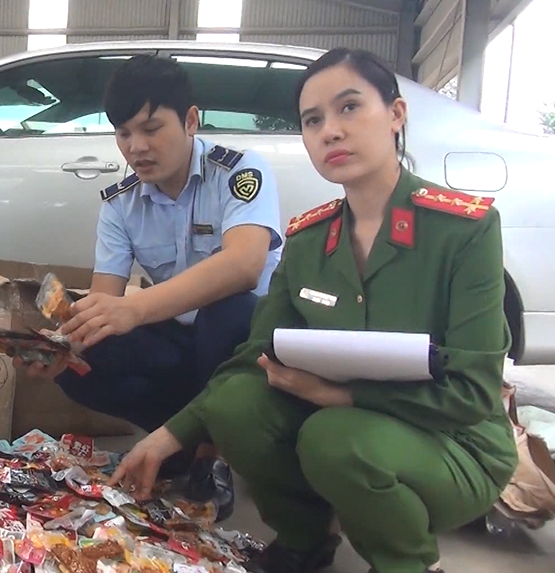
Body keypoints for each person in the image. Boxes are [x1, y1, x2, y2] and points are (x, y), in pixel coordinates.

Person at [109, 47, 519, 573]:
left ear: (396, 114)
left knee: (333, 439)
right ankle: (303, 540)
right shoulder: (309, 240)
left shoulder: (464, 231)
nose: (330, 131)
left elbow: (473, 390)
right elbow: (251, 357)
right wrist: (170, 436)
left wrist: (341, 396)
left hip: (454, 444)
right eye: (313, 120)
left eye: (350, 108)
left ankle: (406, 561)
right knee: (238, 403)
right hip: (353, 434)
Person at [17, 55, 284, 521]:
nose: (136, 147)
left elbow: (244, 265)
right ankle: (176, 442)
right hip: (180, 343)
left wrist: (136, 309)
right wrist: (58, 348)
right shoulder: (120, 204)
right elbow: (105, 305)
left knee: (229, 312)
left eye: (151, 128)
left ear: (190, 120)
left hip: (247, 350)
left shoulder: (240, 171)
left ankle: (211, 455)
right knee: (88, 354)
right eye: (123, 133)